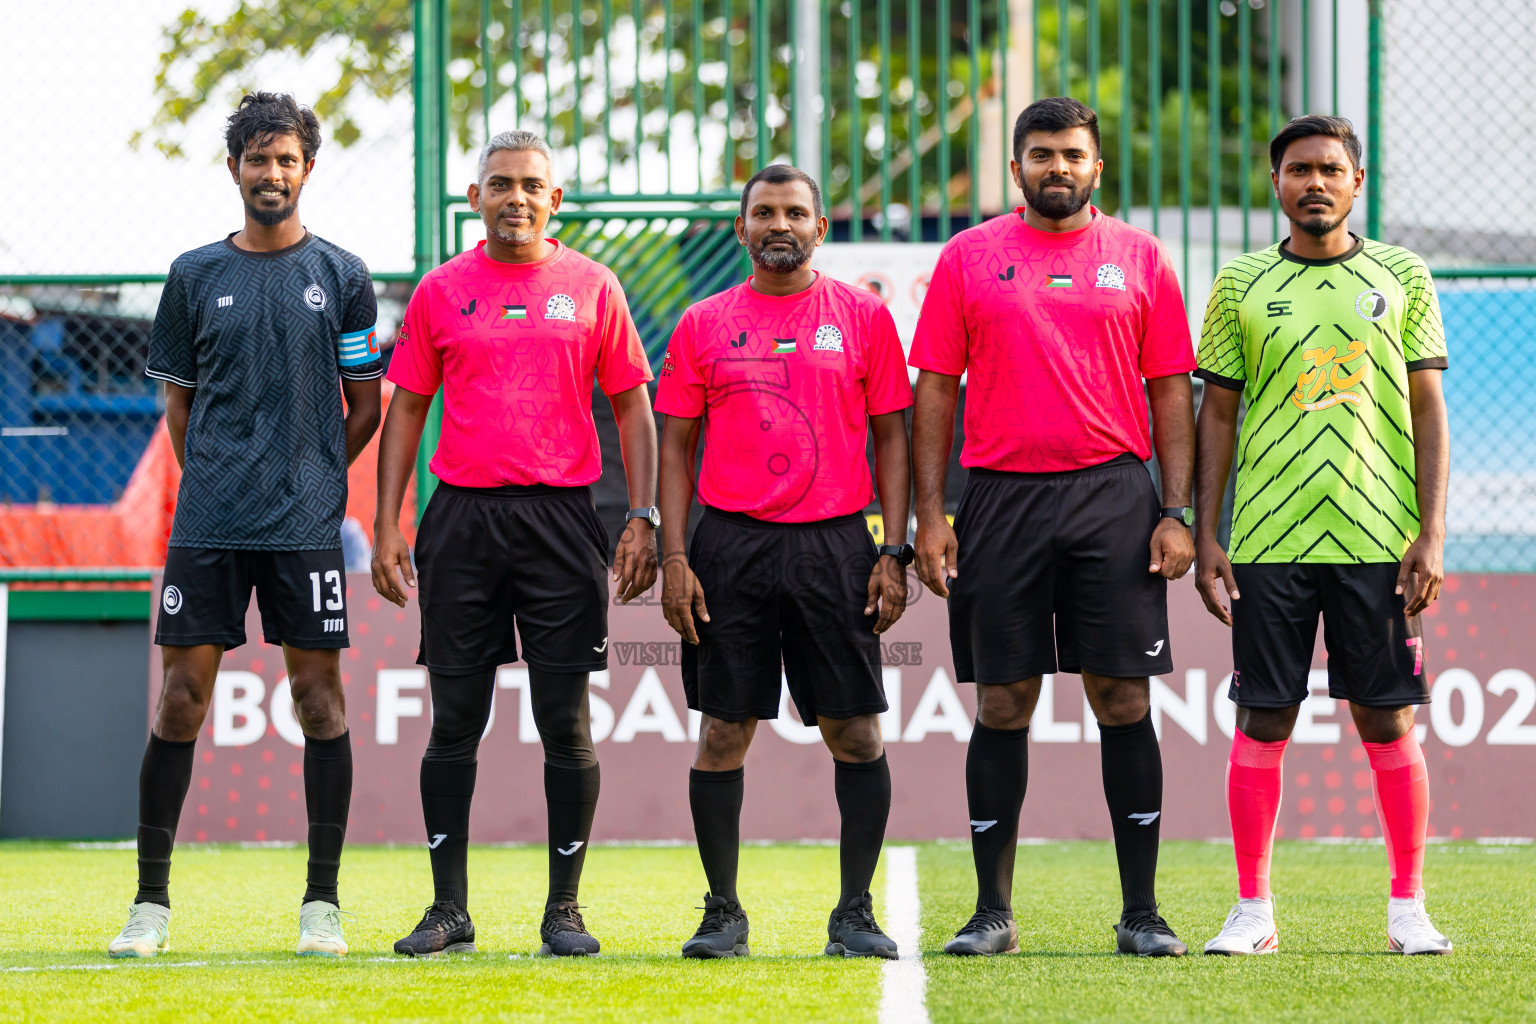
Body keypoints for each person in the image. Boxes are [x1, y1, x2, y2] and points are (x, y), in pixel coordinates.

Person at [909, 97, 1197, 957]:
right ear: (1016, 168)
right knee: (1004, 699)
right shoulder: (968, 257)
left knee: (1122, 697)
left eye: (1073, 154)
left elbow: (1172, 390)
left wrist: (1176, 511)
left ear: (1097, 168)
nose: (1058, 168)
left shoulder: (1141, 258)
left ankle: (1141, 911)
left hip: (1115, 497)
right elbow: (933, 389)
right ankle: (991, 912)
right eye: (1042, 155)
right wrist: (931, 512)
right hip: (1000, 499)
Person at [371, 130, 658, 958]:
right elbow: (408, 411)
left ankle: (563, 909)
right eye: (500, 184)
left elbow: (634, 406)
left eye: (532, 185)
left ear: (556, 199)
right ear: (476, 198)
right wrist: (389, 523)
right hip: (462, 519)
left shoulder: (593, 287)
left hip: (563, 519)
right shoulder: (440, 292)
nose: (516, 199)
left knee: (564, 721)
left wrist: (644, 516)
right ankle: (448, 909)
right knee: (455, 719)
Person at [109, 93, 382, 959]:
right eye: (258, 159)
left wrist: (311, 473)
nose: (272, 173)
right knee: (182, 701)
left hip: (306, 523)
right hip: (211, 520)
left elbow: (366, 404)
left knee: (319, 701)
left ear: (308, 168)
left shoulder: (342, 275)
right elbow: (178, 405)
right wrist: (222, 477)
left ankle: (321, 907)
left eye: (287, 159)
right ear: (234, 170)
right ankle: (149, 906)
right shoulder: (193, 276)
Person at [1195, 115, 1451, 956]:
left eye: (1330, 169)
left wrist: (1431, 531)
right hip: (1268, 537)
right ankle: (1252, 910)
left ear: (1356, 181)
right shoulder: (1240, 284)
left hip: (1380, 537)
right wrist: (1208, 533)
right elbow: (1218, 413)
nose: (1315, 182)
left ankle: (1408, 908)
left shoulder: (1403, 275)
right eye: (1299, 169)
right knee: (1262, 719)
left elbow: (1426, 408)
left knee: (1387, 721)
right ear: (1276, 183)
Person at [656, 164, 912, 959]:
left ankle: (855, 913)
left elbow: (894, 435)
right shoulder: (703, 323)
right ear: (741, 229)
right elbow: (674, 441)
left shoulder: (864, 317)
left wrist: (894, 551)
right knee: (724, 732)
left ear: (820, 228)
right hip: (729, 545)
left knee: (855, 734)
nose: (779, 224)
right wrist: (674, 554)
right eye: (763, 211)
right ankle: (723, 912)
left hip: (836, 543)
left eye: (795, 212)